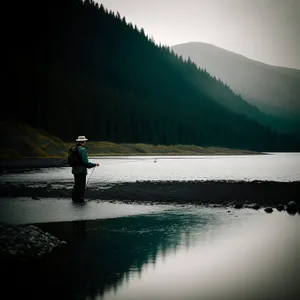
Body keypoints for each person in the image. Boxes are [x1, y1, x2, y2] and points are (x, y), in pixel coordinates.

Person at [71, 136, 99, 203]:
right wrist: (95, 164)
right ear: (83, 142)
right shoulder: (83, 150)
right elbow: (85, 163)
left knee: (76, 184)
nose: (85, 142)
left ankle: (74, 199)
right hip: (81, 171)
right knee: (81, 185)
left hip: (74, 170)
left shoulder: (74, 148)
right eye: (85, 141)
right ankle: (80, 199)